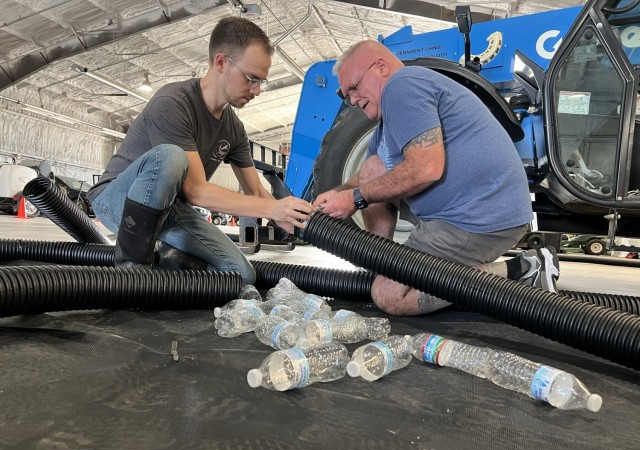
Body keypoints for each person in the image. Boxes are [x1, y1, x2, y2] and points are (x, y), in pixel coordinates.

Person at [313, 40, 559, 317]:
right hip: (458, 212)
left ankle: (522, 269)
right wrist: (338, 193)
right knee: (372, 170)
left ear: (380, 67)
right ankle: (378, 260)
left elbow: (426, 168)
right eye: (345, 95)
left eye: (354, 88)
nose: (353, 100)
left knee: (390, 296)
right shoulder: (386, 126)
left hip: (476, 218)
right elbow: (368, 174)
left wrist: (355, 198)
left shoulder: (402, 86)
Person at [88, 17, 314, 284]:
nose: (257, 91)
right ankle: (131, 276)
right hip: (118, 200)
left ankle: (166, 269)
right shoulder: (172, 102)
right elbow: (196, 191)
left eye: (262, 83)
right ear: (221, 62)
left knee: (240, 275)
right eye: (251, 79)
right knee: (170, 156)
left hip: (170, 207)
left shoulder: (234, 128)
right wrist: (273, 209)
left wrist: (290, 214)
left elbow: (256, 193)